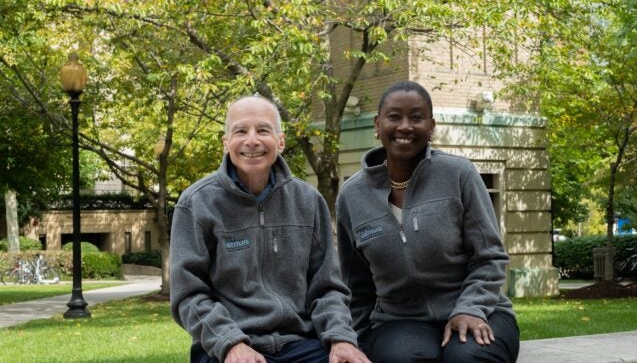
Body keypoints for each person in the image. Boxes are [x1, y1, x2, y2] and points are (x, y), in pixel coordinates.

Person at [170, 96, 370, 363]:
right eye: (241, 131)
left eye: (263, 130)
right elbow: (189, 295)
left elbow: (328, 288)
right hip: (227, 346)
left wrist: (340, 338)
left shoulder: (308, 201)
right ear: (226, 142)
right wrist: (231, 344)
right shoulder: (197, 203)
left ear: (280, 141)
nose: (252, 140)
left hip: (300, 343)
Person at [336, 81, 520, 362]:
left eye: (417, 117)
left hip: (481, 309)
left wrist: (470, 308)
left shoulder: (459, 174)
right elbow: (355, 283)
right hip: (399, 320)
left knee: (466, 358)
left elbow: (489, 257)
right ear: (377, 123)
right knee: (403, 358)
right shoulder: (352, 195)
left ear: (431, 126)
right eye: (394, 117)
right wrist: (356, 339)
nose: (405, 126)